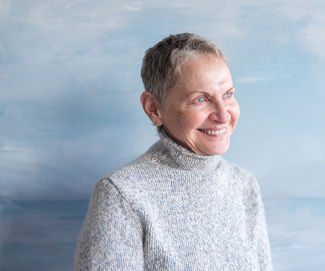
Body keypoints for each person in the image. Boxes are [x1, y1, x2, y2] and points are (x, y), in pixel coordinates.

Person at [75, 33, 273, 270]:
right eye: (201, 99)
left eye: (228, 94)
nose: (223, 115)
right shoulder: (122, 195)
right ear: (154, 108)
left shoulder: (244, 185)